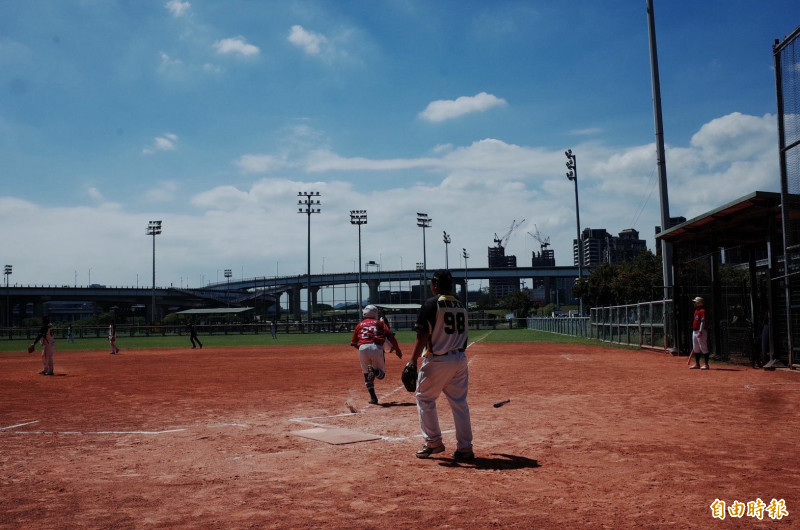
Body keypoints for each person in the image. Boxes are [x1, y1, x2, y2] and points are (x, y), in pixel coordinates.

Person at [411, 270, 474, 460]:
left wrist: (412, 359)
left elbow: (422, 335)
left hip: (438, 359)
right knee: (460, 404)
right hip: (460, 359)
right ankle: (465, 448)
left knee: (425, 398)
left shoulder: (432, 304)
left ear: (436, 285)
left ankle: (433, 442)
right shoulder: (460, 304)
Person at [351, 304, 402, 405]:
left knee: (366, 375)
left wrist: (362, 348)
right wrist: (397, 349)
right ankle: (374, 371)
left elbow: (353, 343)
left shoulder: (360, 324)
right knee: (381, 375)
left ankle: (373, 398)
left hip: (362, 348)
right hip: (376, 347)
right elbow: (390, 336)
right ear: (375, 313)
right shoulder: (380, 323)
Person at [689, 296, 709, 370]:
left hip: (701, 331)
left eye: (695, 302)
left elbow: (702, 321)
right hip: (695, 331)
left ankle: (706, 364)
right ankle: (697, 364)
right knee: (696, 348)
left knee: (703, 347)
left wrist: (700, 331)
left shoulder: (702, 310)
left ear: (700, 303)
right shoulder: (696, 311)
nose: (694, 303)